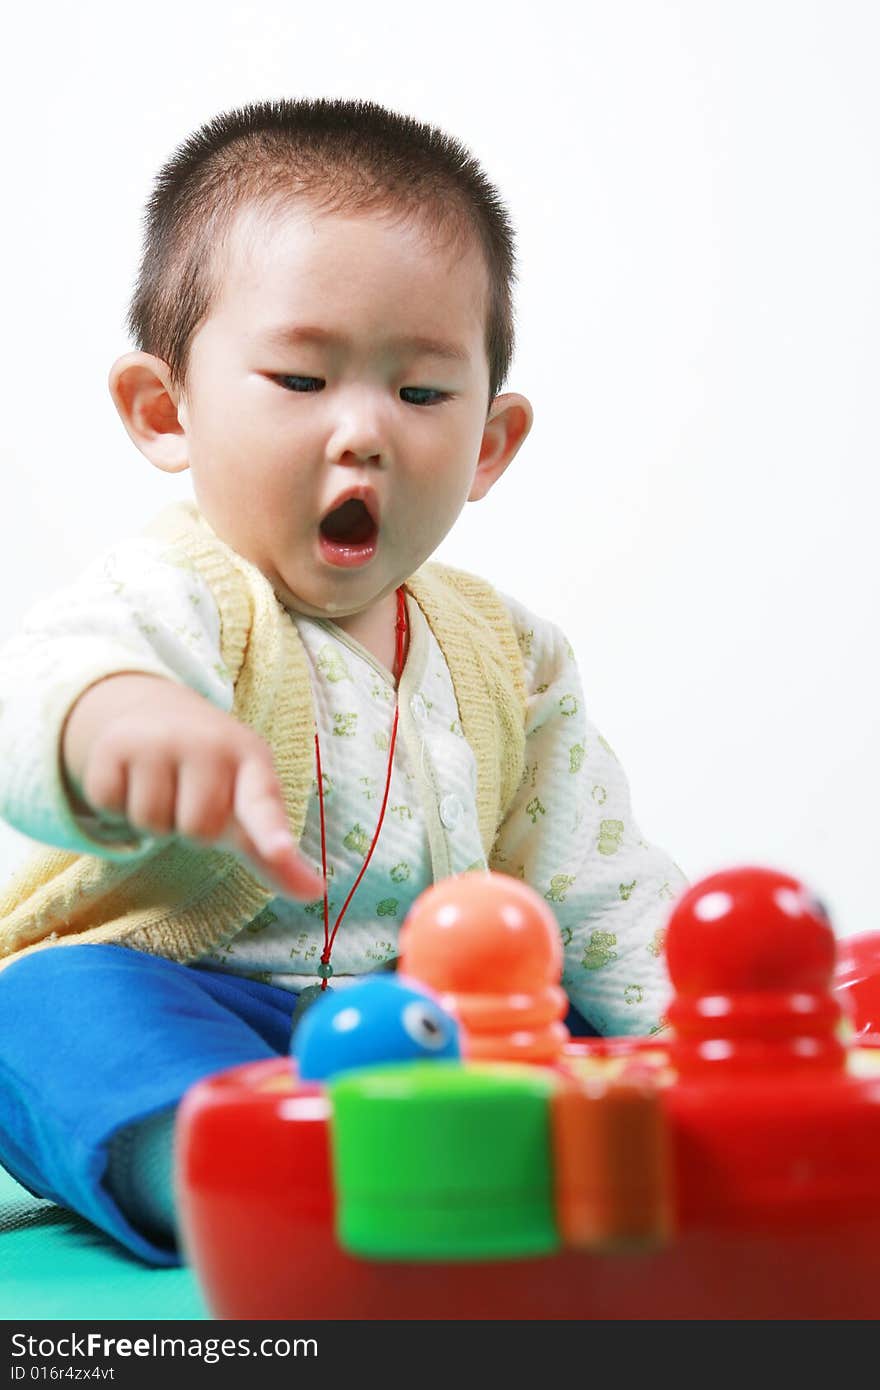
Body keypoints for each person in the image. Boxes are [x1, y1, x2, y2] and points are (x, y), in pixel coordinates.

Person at [0, 97, 687, 1267]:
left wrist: (700, 1028)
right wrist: (115, 721)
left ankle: (556, 1147)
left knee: (567, 1019)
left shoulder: (511, 652)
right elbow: (44, 688)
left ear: (487, 444)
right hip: (211, 1012)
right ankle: (224, 1170)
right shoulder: (177, 595)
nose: (363, 431)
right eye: (301, 379)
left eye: (419, 394)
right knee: (42, 1012)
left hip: (426, 1035)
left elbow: (594, 877)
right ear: (166, 411)